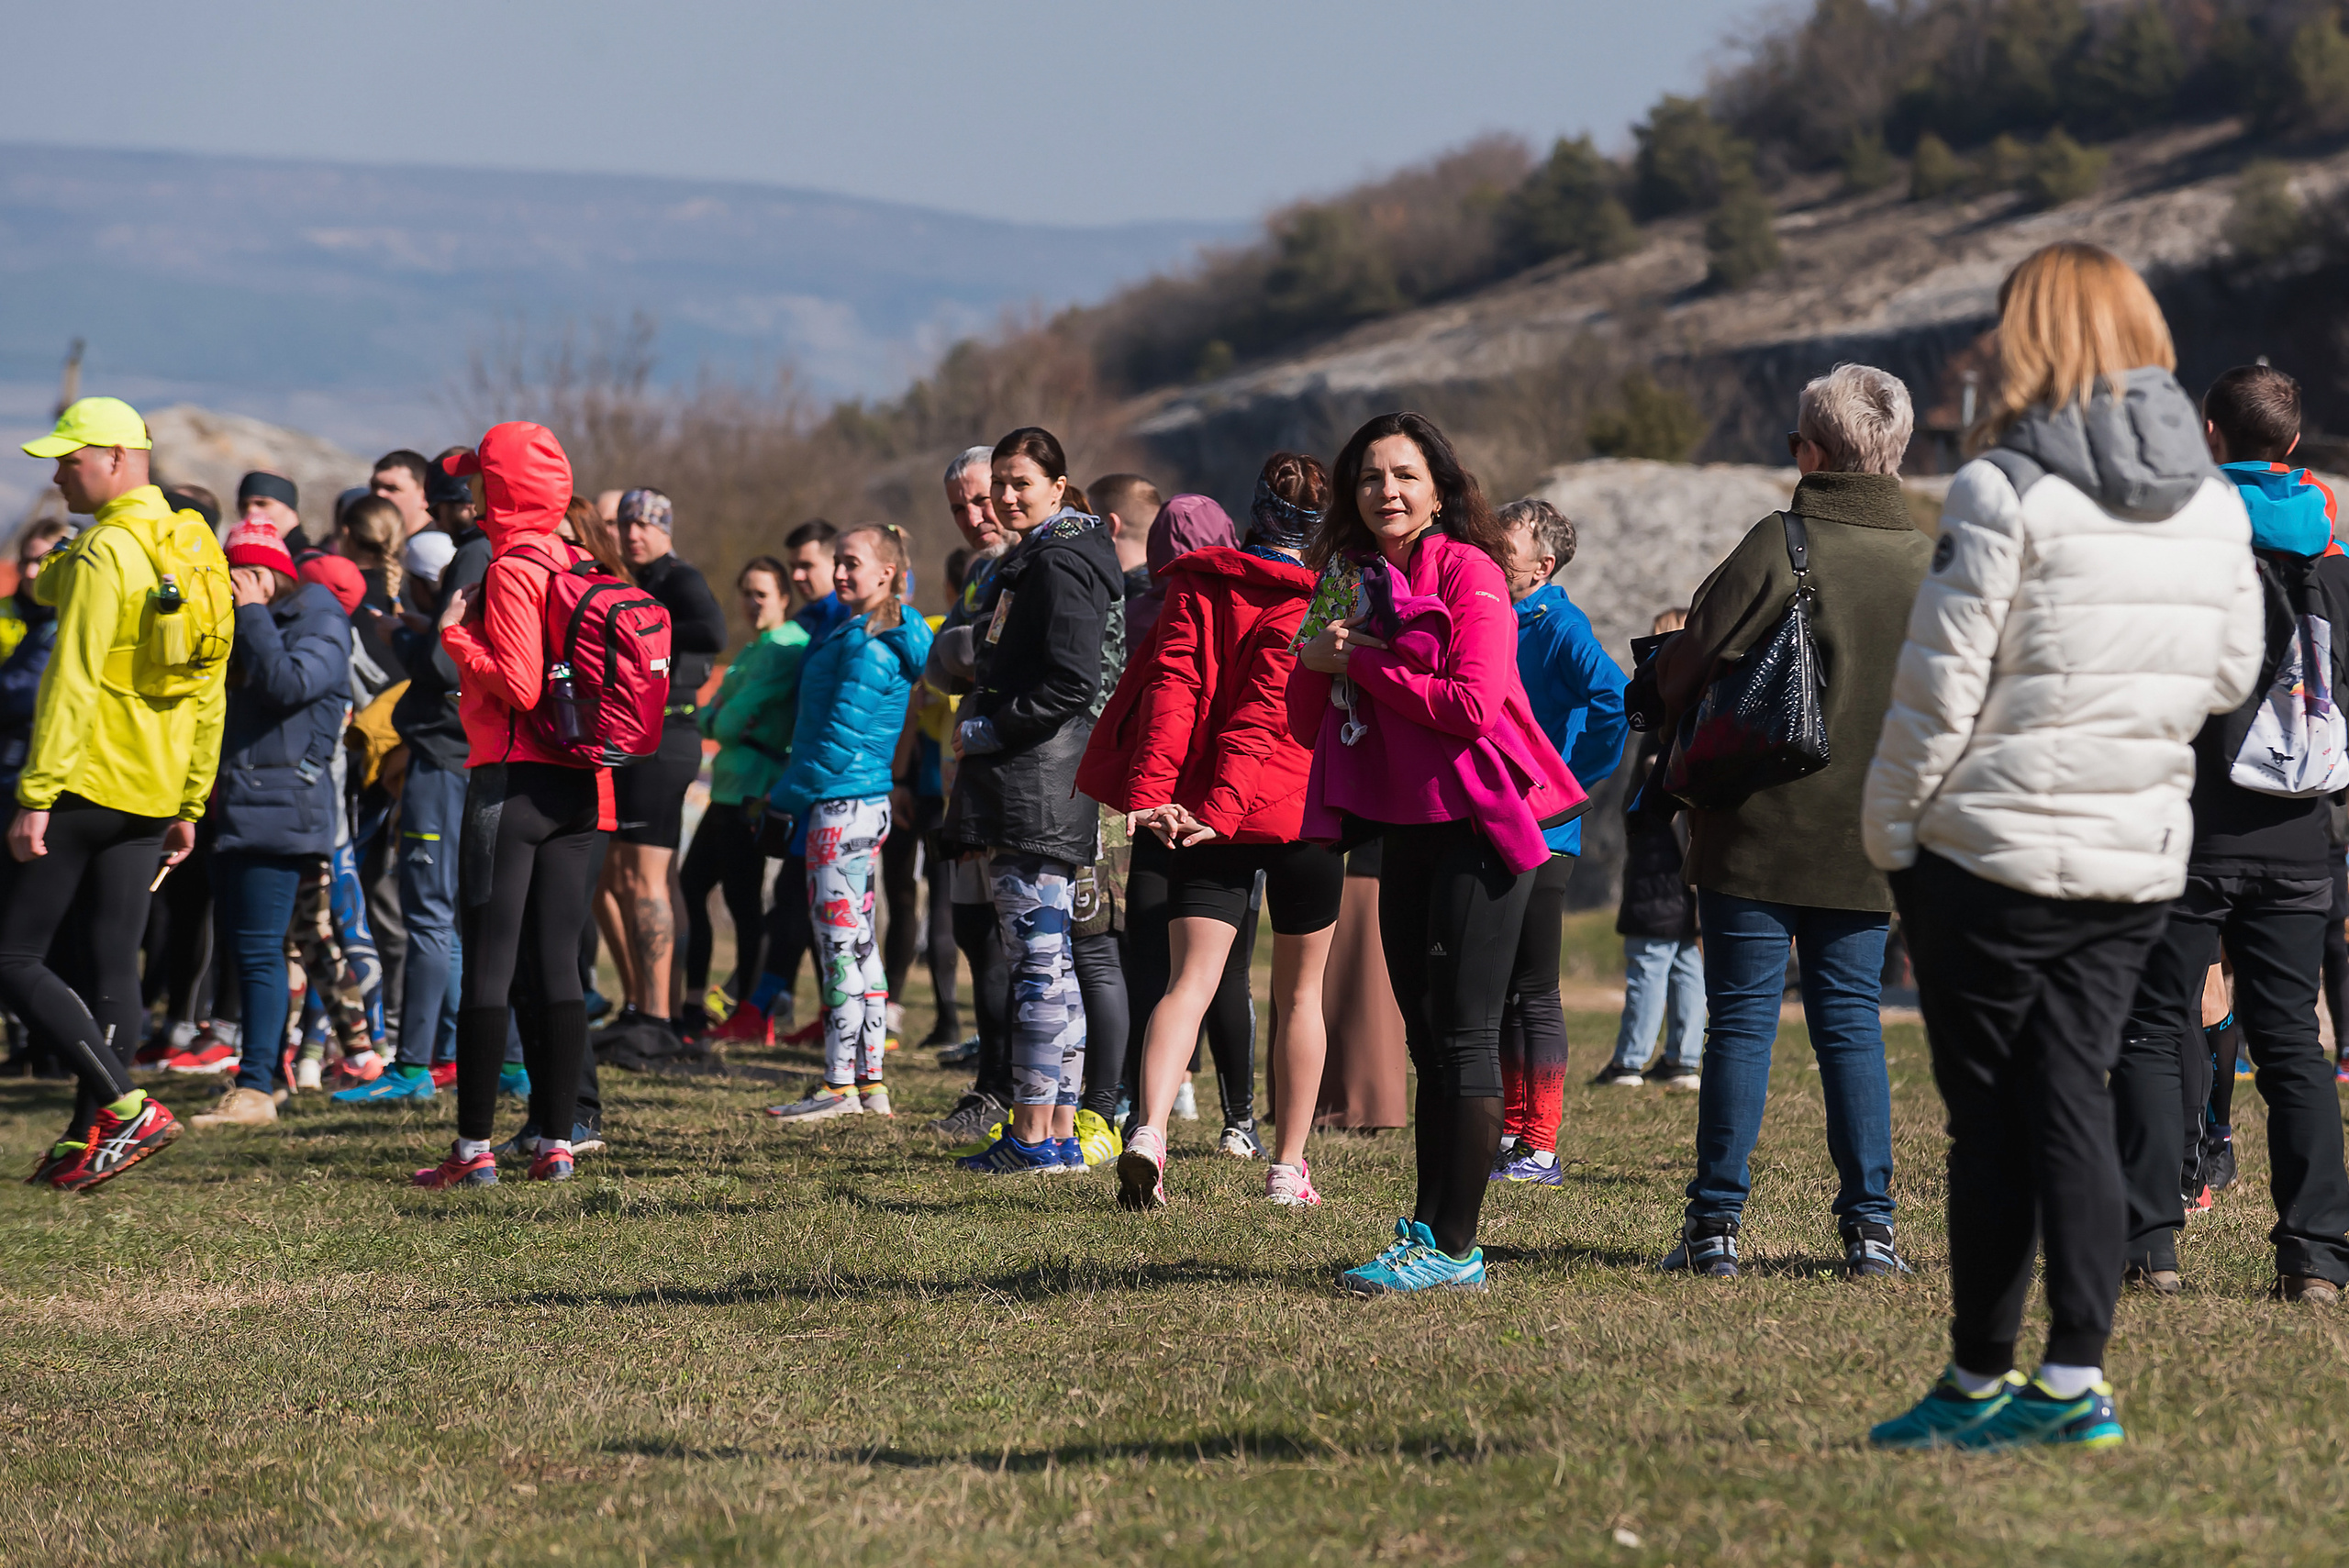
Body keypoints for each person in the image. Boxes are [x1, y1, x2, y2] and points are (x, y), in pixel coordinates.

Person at [1862, 241, 2263, 1451]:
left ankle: (1980, 1376)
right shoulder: (2210, 499)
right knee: (2073, 1104)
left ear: (2030, 336)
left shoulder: (2006, 488)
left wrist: (1890, 834)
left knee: (1990, 1119)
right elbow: (2236, 669)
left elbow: (1938, 693)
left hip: (1989, 854)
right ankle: (2074, 1374)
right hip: (2135, 849)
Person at [1646, 362, 1932, 1282]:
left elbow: (1685, 664)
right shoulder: (1932, 556)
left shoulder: (1781, 541)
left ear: (1811, 452)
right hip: (1868, 835)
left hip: (1757, 826)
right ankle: (1870, 1231)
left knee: (1739, 1023)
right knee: (1851, 1021)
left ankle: (1716, 1228)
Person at [1293, 410, 1584, 1294]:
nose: (1387, 490)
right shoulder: (1351, 571)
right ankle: (1428, 1227)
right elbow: (1311, 653)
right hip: (1401, 824)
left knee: (1463, 1038)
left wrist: (1367, 662)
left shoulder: (1472, 569)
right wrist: (1335, 652)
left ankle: (1455, 1249)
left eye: (1405, 475)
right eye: (1371, 476)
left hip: (1478, 823)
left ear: (1440, 487)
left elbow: (1470, 702)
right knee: (1426, 1035)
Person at [2109, 362, 2349, 1302]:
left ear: (2208, 436)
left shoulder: (2177, 551)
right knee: (2293, 1042)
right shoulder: (2332, 562)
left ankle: (2151, 1246)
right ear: (2291, 444)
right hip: (2299, 836)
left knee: (2150, 1022)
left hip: (2188, 829)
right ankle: (2316, 1257)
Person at [1086, 451, 1342, 1207]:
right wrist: (1220, 808)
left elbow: (1172, 689)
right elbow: (1269, 714)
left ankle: (1150, 1132)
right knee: (1300, 996)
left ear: (1254, 508)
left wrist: (1153, 793)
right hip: (1296, 813)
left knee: (1188, 982)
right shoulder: (1323, 600)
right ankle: (1288, 1168)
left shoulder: (1198, 580)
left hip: (1200, 813)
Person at [11, 396, 227, 1190]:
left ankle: (126, 1105)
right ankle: (88, 1134)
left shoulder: (105, 552)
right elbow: (211, 687)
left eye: (69, 458)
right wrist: (191, 800)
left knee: (13, 954)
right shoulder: (197, 545)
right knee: (112, 960)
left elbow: (72, 681)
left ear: (114, 457)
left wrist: (37, 792)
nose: (59, 472)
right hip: (155, 787)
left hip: (88, 778)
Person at [412, 425, 617, 1187]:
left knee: (492, 969)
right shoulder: (577, 560)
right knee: (559, 965)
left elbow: (521, 685)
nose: (473, 496)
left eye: (480, 483)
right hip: (582, 786)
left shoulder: (512, 568)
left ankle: (472, 1151)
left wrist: (456, 635)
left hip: (514, 780)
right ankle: (557, 1142)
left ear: (498, 491)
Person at [948, 428, 1122, 1173]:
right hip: (1035, 786)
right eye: (1000, 486)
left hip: (1036, 788)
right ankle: (1052, 1134)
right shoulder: (1041, 557)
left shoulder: (1058, 563)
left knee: (1035, 966)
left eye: (1023, 483)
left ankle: (1031, 1135)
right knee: (1049, 966)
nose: (1007, 497)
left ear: (1058, 487)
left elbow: (1071, 681)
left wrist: (987, 726)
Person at [184, 520, 354, 1126]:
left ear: (259, 576)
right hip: (238, 805)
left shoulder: (319, 617)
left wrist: (251, 612)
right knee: (244, 947)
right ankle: (262, 1076)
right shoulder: (258, 618)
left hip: (282, 808)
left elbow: (291, 684)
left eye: (235, 579)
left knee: (259, 951)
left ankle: (255, 1087)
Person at [1110, 494, 1265, 1148]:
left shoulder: (1137, 610)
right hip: (1224, 812)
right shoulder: (1250, 602)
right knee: (1227, 972)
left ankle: (1141, 1110)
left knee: (1150, 964)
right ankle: (1240, 1120)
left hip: (1153, 808)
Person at [764, 526, 933, 1120]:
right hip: (857, 803)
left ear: (887, 572)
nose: (839, 572)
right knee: (859, 946)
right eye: (836, 561)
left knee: (840, 946)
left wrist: (782, 798)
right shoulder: (866, 629)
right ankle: (870, 1085)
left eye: (851, 563)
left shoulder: (870, 640)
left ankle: (838, 1086)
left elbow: (836, 738)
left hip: (841, 806)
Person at [340, 458, 494, 1105]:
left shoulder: (473, 554)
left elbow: (441, 659)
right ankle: (490, 1057)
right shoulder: (495, 552)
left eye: (438, 503)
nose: (429, 515)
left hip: (443, 750)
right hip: (471, 751)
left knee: (430, 911)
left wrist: (404, 638)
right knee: (461, 917)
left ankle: (412, 1067)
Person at [1491, 496, 1628, 1183]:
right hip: (1497, 819)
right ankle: (1513, 1132)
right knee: (1509, 986)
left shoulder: (1561, 624)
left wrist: (1565, 780)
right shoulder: (1496, 613)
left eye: (1505, 542)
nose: (1493, 546)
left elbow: (1615, 698)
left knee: (1536, 987)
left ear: (1543, 564)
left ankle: (1541, 1143)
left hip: (1547, 831)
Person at [594, 489, 727, 1049]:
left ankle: (658, 1018)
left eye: (645, 525)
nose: (632, 535)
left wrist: (640, 625)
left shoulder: (679, 579)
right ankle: (644, 1007)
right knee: (629, 876)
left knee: (646, 877)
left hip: (667, 736)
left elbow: (713, 633)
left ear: (666, 528)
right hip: (636, 738)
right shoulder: (638, 580)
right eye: (625, 525)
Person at [925, 448, 1019, 1143]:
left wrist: (969, 648)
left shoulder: (1039, 562)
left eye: (981, 498)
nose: (974, 516)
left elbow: (995, 655)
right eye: (959, 506)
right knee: (973, 931)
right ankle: (991, 1080)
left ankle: (1017, 1085)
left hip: (1023, 783)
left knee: (1021, 941)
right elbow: (940, 663)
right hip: (966, 784)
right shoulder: (982, 572)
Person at [684, 558, 800, 1031]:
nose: (752, 603)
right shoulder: (755, 649)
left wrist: (726, 717)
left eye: (762, 594)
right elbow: (709, 716)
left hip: (752, 792)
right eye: (746, 593)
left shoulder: (784, 649)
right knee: (690, 888)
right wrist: (724, 717)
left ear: (783, 599)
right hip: (727, 789)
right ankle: (696, 1001)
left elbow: (724, 721)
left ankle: (749, 1009)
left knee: (744, 903)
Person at [1595, 609, 1704, 1088]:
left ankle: (1629, 1061)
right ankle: (1683, 1058)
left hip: (1658, 870)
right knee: (1685, 963)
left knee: (1648, 964)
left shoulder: (1663, 726)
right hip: (1687, 874)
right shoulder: (1703, 715)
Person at [1090, 473, 1163, 603]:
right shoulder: (1168, 588)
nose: (1085, 530)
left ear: (1111, 526)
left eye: (1091, 521)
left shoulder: (1127, 599)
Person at [370, 450, 435, 539]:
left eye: (392, 489)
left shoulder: (436, 547)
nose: (379, 494)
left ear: (425, 496)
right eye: (374, 486)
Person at [238, 472, 304, 550]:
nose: (251, 511)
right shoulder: (237, 555)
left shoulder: (311, 560)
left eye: (262, 504)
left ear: (290, 509)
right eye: (243, 505)